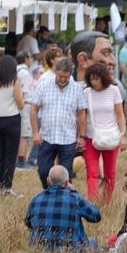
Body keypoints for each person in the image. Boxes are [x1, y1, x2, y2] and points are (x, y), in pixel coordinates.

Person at [29, 58, 86, 188]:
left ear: (70, 75)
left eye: (66, 77)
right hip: (47, 137)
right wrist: (36, 133)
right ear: (55, 72)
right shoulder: (44, 86)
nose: (63, 79)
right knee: (43, 171)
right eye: (60, 76)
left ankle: (64, 199)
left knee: (66, 175)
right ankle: (48, 192)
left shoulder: (77, 89)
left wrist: (82, 136)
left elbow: (82, 113)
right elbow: (34, 109)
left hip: (68, 138)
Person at [24, 165, 101, 251]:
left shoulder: (36, 199)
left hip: (39, 249)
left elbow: (28, 222)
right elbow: (96, 216)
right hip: (71, 250)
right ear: (67, 183)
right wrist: (75, 192)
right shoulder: (75, 198)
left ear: (48, 181)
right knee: (93, 242)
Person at [81, 61, 125, 202]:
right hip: (91, 136)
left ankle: (107, 200)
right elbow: (82, 115)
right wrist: (80, 136)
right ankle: (92, 201)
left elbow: (120, 114)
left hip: (111, 136)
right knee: (92, 172)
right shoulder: (86, 92)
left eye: (96, 78)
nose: (94, 82)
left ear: (103, 77)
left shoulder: (114, 90)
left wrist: (123, 135)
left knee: (110, 172)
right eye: (91, 79)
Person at [0, 55, 23, 196]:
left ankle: (0, 184)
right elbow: (20, 102)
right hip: (12, 120)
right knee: (10, 154)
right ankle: (7, 186)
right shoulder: (14, 82)